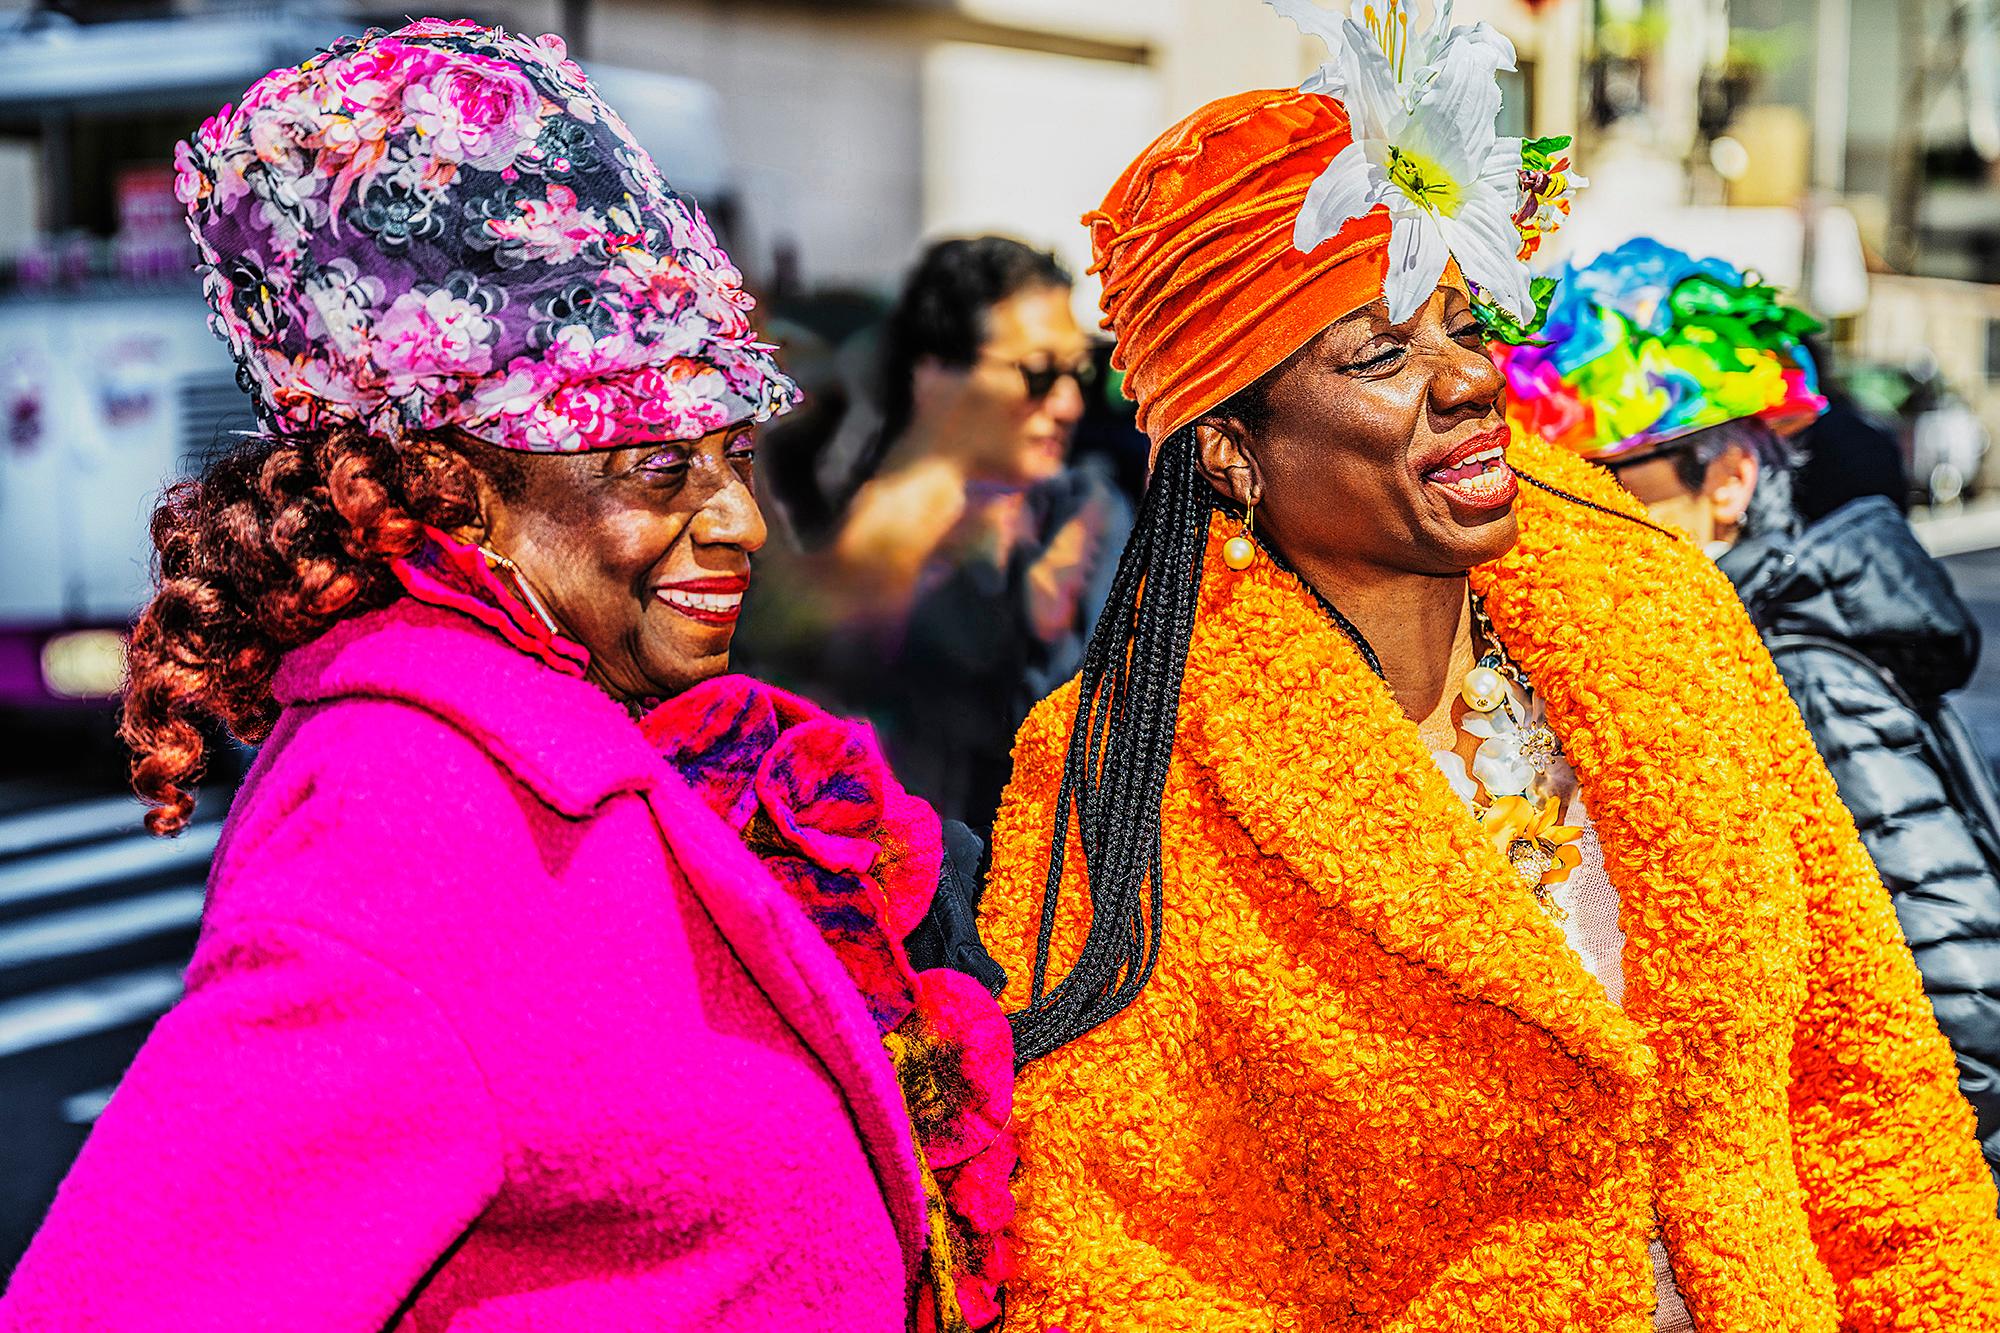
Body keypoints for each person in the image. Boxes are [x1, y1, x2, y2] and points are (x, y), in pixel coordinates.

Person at [977, 3, 2000, 1329]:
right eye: (1381, 352)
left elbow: (1866, 1057)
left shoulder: (1660, 613)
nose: (1464, 378)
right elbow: (1116, 1253)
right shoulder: (1121, 772)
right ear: (1230, 452)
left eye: (1461, 325)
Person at [0, 22, 1009, 1329]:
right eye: (659, 465)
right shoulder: (407, 818)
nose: (743, 522)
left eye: (736, 453)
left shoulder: (571, 736)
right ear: (453, 489)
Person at [1501, 239, 2000, 1193]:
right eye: (1549, 484)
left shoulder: (1801, 676)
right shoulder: (1700, 654)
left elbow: (1963, 999)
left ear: (1727, 477)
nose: (1565, 519)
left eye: (1607, 479)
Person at [748, 236, 1129, 841]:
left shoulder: (1081, 519)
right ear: (935, 375)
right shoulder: (817, 495)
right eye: (1037, 373)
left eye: (1078, 371)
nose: (1067, 403)